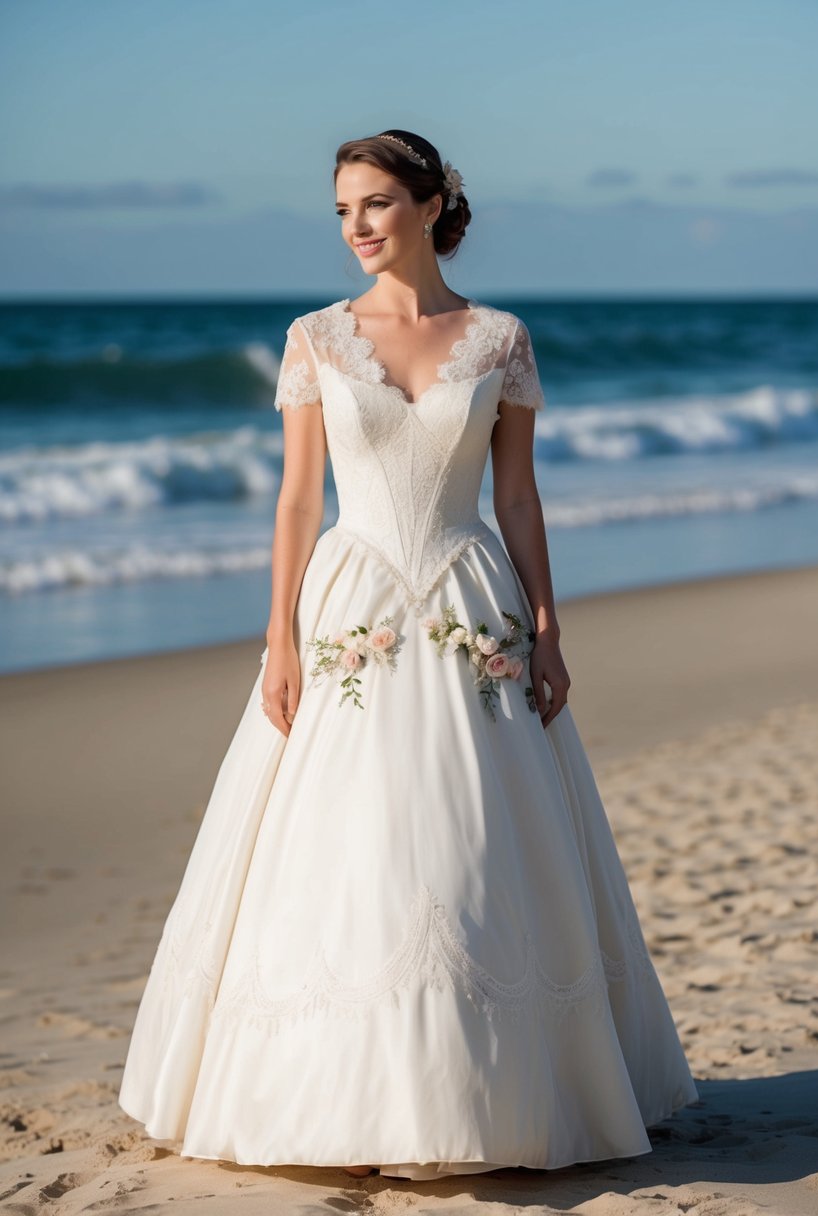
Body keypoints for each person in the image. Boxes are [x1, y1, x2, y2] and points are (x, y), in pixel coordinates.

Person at [118, 128, 698, 1181]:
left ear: (433, 205)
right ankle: (342, 1093)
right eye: (343, 210)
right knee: (351, 842)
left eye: (377, 203)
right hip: (349, 615)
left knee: (475, 838)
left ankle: (492, 1090)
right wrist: (278, 640)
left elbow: (517, 495)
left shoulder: (501, 338)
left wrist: (551, 627)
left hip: (473, 609)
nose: (358, 228)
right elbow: (298, 498)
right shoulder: (315, 339)